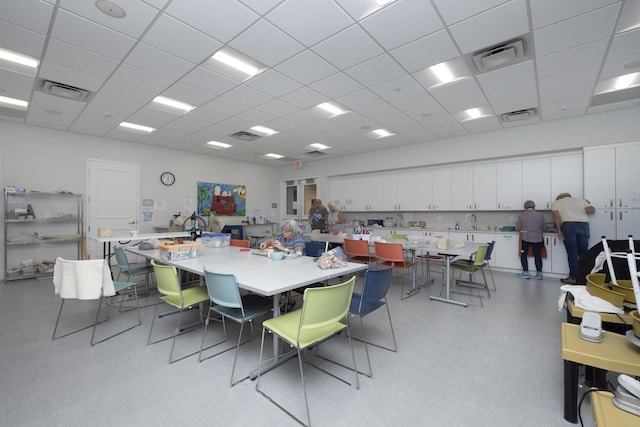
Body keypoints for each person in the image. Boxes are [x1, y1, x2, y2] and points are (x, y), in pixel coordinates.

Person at [259, 219, 305, 310]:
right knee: (271, 274)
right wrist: (265, 243)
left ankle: (289, 300)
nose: (284, 232)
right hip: (284, 264)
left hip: (297, 267)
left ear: (293, 231)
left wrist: (283, 248)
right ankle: (275, 298)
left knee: (280, 277)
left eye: (287, 231)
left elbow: (298, 253)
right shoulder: (281, 237)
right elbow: (271, 241)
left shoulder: (298, 238)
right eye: (283, 230)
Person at [552, 192, 595, 284]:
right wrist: (587, 204)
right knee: (584, 254)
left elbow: (556, 216)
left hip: (569, 226)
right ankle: (586, 277)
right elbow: (591, 210)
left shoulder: (557, 202)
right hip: (584, 226)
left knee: (572, 253)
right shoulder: (581, 200)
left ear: (559, 198)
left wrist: (559, 230)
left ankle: (573, 277)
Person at [515, 200, 546, 280]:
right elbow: (544, 227)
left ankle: (525, 273)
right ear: (534, 206)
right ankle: (539, 274)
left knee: (523, 255)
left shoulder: (521, 215)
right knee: (538, 255)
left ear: (525, 207)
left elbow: (517, 227)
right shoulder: (540, 215)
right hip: (538, 237)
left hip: (526, 237)